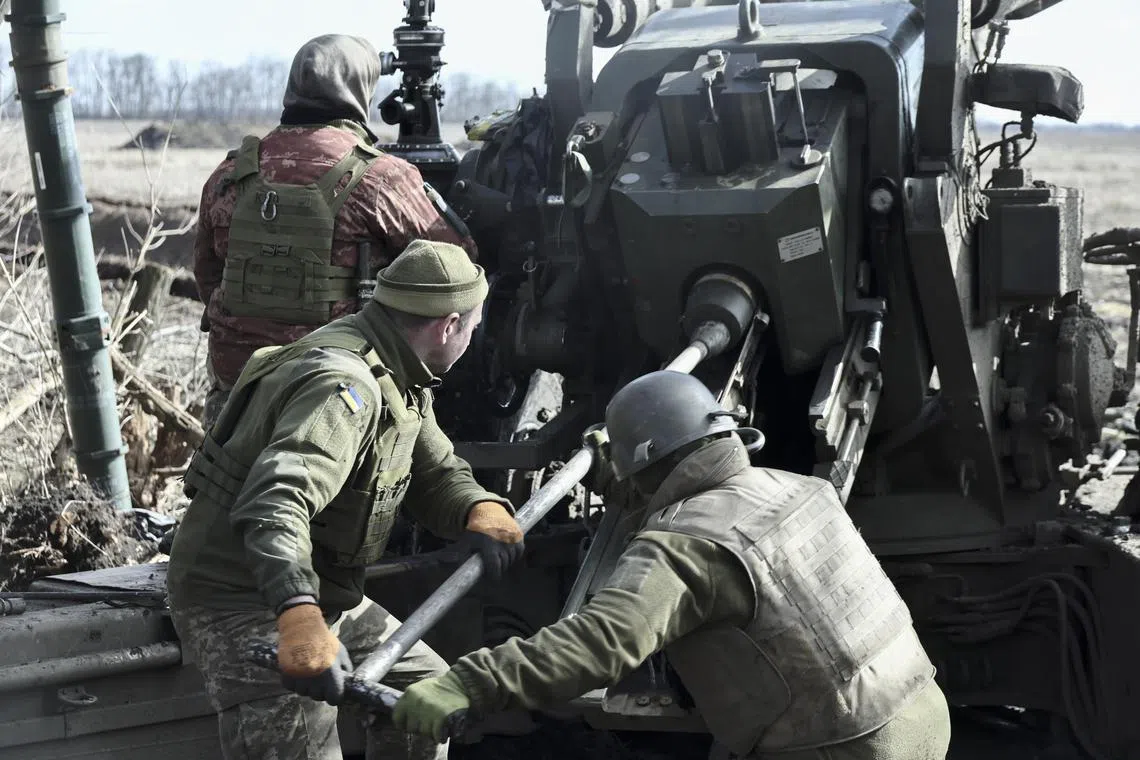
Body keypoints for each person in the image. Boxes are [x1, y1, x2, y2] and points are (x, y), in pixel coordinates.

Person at [392, 370, 953, 760]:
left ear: (645, 465)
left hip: (841, 747)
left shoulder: (685, 543)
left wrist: (468, 682)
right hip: (919, 710)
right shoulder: (799, 488)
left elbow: (599, 643)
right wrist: (622, 477)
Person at [166, 239, 524, 760]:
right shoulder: (344, 387)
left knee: (423, 695)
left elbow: (435, 470)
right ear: (448, 326)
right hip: (241, 598)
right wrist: (297, 616)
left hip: (322, 596)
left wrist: (478, 510)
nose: (471, 339)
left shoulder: (395, 365)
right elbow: (275, 505)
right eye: (471, 327)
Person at [193, 33, 477, 430]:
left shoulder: (229, 175)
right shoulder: (381, 178)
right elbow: (455, 266)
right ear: (359, 90)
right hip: (337, 402)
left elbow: (207, 276)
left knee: (224, 492)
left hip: (235, 394)